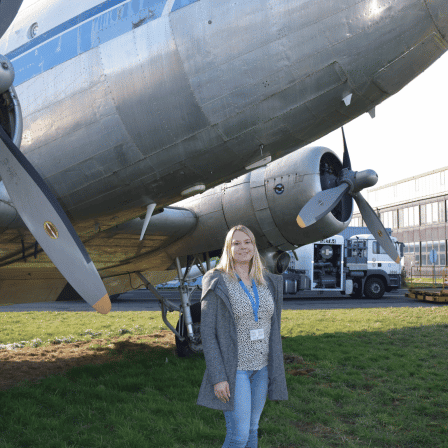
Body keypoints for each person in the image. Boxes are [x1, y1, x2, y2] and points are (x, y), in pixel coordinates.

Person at [196, 224, 288, 448]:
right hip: (235, 370)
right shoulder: (217, 281)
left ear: (254, 247)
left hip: (262, 369)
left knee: (252, 430)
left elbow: (272, 326)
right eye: (236, 243)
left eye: (247, 242)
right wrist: (218, 377)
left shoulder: (267, 282)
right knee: (238, 436)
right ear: (228, 248)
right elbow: (207, 333)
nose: (242, 247)